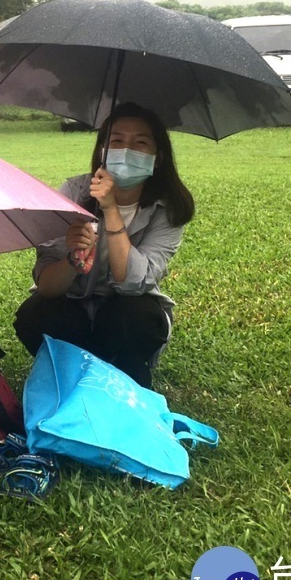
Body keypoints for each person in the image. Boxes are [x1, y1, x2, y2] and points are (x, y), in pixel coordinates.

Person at [13, 103, 195, 388]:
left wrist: (110, 209)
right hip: (72, 305)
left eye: (141, 142)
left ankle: (112, 371)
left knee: (136, 320)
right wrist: (72, 259)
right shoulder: (74, 193)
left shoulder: (168, 209)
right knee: (34, 315)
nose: (127, 150)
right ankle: (88, 366)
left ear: (157, 158)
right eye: (117, 141)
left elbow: (133, 283)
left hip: (127, 310)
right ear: (101, 152)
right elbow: (47, 285)